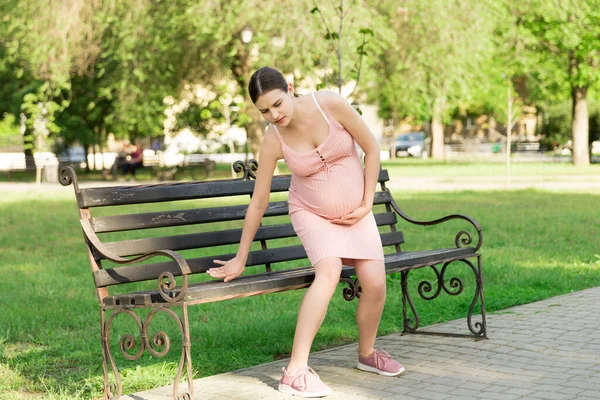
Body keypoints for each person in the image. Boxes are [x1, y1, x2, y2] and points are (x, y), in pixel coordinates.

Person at [207, 67, 404, 398]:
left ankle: (367, 354)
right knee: (327, 273)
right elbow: (259, 202)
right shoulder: (274, 139)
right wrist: (241, 257)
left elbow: (371, 148)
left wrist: (367, 203)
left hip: (357, 212)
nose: (274, 115)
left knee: (376, 284)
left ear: (290, 87)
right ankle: (295, 371)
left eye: (278, 104)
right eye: (264, 111)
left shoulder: (330, 104)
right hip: (311, 213)